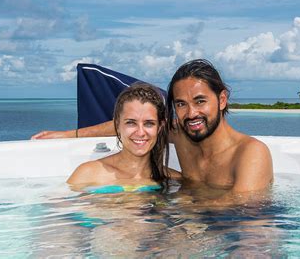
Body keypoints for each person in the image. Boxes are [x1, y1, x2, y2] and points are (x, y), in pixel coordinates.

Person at [33, 59, 273, 194]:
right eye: (181, 104)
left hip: (240, 227)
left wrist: (178, 214)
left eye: (200, 101)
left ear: (221, 100)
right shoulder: (181, 134)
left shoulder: (250, 152)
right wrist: (69, 134)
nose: (191, 113)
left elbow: (244, 211)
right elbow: (133, 126)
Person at [66, 82, 180, 191]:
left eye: (149, 123)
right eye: (131, 123)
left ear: (160, 127)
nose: (140, 132)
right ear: (117, 125)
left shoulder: (174, 179)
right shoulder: (88, 174)